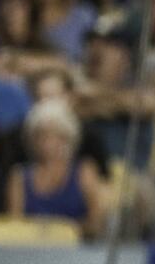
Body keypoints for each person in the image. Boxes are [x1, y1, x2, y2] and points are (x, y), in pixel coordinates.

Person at [6, 97, 106, 237]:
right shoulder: (19, 176)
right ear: (32, 140)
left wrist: (63, 231)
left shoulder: (84, 171)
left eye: (56, 135)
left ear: (69, 137)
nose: (49, 143)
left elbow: (96, 223)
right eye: (41, 135)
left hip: (77, 249)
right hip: (31, 250)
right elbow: (15, 226)